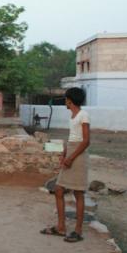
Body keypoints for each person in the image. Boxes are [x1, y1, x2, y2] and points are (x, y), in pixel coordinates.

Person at [41, 87, 90, 243]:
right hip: (72, 152)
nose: (65, 101)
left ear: (70, 100)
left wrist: (71, 157)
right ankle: (61, 228)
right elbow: (74, 137)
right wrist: (65, 152)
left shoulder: (83, 115)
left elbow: (86, 141)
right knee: (59, 189)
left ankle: (78, 231)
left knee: (78, 193)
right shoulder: (73, 116)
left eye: (66, 99)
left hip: (79, 156)